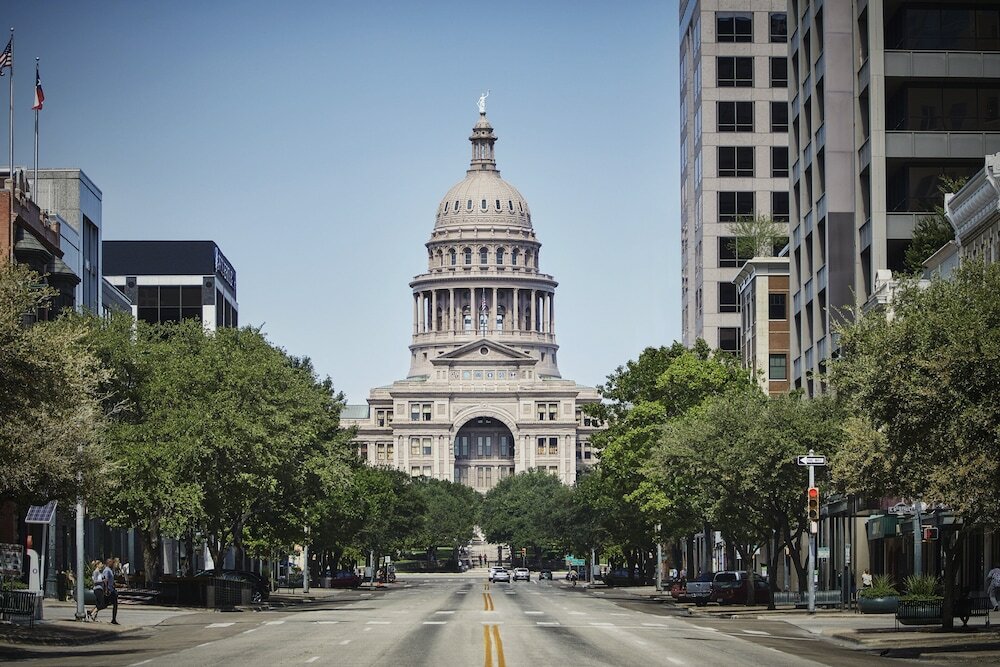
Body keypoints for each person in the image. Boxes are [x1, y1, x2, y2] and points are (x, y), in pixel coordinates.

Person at [102, 557, 120, 625]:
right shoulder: (107, 570)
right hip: (110, 590)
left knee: (106, 604)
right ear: (108, 563)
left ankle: (114, 619)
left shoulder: (110, 570)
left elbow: (111, 580)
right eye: (112, 562)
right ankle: (114, 619)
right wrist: (106, 589)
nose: (113, 564)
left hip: (111, 589)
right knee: (112, 604)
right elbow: (105, 580)